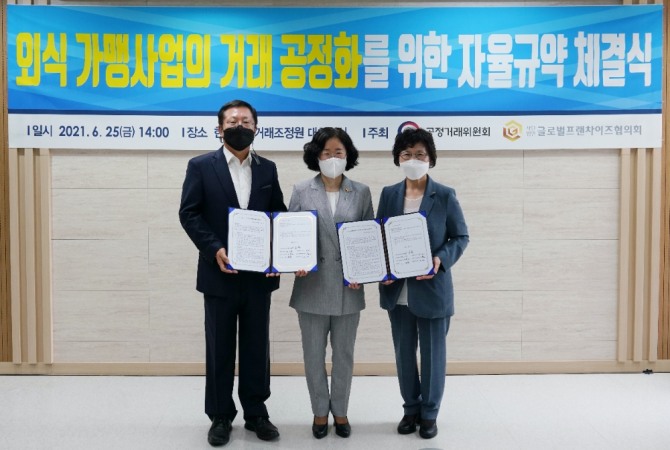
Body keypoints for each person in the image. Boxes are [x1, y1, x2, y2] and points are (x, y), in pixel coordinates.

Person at [179, 99, 286, 447]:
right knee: (219, 347)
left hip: (258, 277)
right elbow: (189, 213)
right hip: (219, 273)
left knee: (257, 347)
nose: (239, 126)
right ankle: (220, 415)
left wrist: (281, 253)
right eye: (232, 121)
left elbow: (278, 214)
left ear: (256, 128)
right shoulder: (200, 166)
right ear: (219, 128)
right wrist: (214, 249)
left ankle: (256, 412)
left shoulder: (268, 169)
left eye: (246, 121)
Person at [376, 127, 469, 440]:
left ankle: (429, 413)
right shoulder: (389, 194)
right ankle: (410, 409)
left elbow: (461, 237)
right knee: (404, 354)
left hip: (432, 289)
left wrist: (441, 259)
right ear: (397, 158)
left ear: (430, 158)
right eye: (406, 154)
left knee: (432, 356)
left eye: (419, 154)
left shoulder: (444, 194)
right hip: (396, 289)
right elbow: (379, 236)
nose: (413, 160)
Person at [288, 127, 374, 439]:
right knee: (313, 356)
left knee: (344, 356)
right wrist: (293, 262)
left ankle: (341, 410)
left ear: (348, 155)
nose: (333, 157)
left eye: (339, 152)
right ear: (316, 156)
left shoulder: (361, 192)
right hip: (311, 286)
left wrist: (362, 272)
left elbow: (368, 239)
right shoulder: (301, 190)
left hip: (349, 288)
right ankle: (319, 411)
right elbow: (290, 236)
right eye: (326, 152)